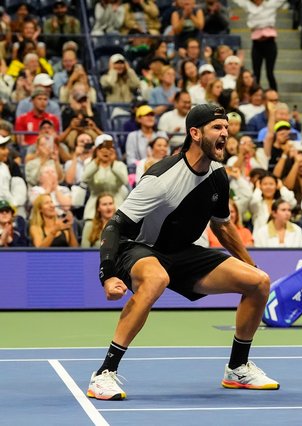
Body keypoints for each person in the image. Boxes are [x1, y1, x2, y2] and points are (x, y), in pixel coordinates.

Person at [87, 104, 278, 401]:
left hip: (183, 253)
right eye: (217, 128)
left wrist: (251, 266)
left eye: (226, 127)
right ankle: (104, 374)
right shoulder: (161, 178)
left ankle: (237, 368)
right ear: (195, 133)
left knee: (260, 282)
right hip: (140, 248)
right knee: (156, 279)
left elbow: (223, 227)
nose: (225, 133)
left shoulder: (217, 174)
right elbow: (114, 226)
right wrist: (108, 275)